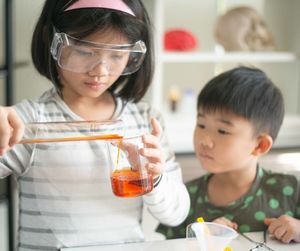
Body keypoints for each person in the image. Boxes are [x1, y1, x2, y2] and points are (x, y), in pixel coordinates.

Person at [0, 0, 190, 250]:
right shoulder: (27, 120)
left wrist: (155, 179)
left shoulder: (145, 121)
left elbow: (176, 214)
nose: (100, 70)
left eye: (117, 55)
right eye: (85, 52)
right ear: (53, 42)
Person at [156, 66, 300, 244]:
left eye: (222, 131)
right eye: (201, 125)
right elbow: (171, 247)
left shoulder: (290, 191)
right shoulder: (185, 197)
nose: (205, 141)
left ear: (260, 145)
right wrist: (202, 239)